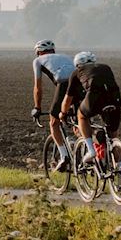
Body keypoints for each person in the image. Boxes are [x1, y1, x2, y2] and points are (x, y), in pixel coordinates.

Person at [63, 51, 121, 166]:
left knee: (81, 115)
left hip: (95, 96)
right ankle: (120, 164)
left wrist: (63, 113)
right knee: (112, 135)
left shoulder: (77, 72)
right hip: (115, 98)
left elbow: (67, 99)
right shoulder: (106, 67)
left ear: (78, 64)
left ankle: (91, 150)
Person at [30, 39, 78, 171]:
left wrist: (37, 107)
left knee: (54, 122)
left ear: (39, 52)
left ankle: (64, 156)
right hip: (81, 84)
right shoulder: (66, 57)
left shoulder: (38, 61)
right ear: (53, 50)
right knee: (80, 122)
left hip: (64, 85)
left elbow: (38, 88)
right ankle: (88, 153)